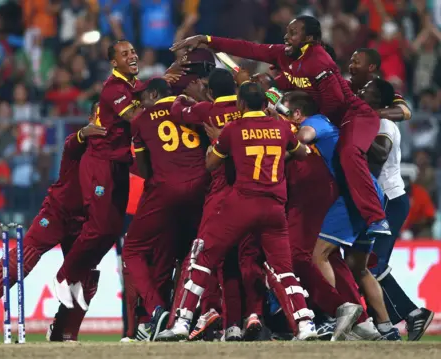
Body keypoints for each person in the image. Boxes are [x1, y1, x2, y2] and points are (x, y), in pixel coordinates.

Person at [171, 16, 391, 243]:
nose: (287, 36)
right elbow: (249, 49)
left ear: (310, 39)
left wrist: (293, 98)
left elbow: (335, 103)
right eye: (287, 31)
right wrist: (207, 40)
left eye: (293, 32)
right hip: (325, 122)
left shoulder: (319, 61)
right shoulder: (285, 56)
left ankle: (377, 217)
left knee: (347, 153)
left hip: (353, 116)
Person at [156, 82, 316, 342]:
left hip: (241, 203)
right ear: (265, 104)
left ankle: (183, 322)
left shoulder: (233, 129)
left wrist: (216, 144)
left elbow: (211, 163)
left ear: (241, 104)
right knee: (283, 268)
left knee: (205, 258)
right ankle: (306, 324)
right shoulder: (281, 128)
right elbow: (301, 153)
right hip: (274, 208)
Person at [0, 104, 107, 342]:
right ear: (90, 118)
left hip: (87, 220)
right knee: (23, 259)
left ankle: (62, 333)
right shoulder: (78, 142)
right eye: (100, 116)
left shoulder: (117, 152)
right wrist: (84, 133)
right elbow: (72, 143)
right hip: (58, 212)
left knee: (86, 278)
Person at [53, 40, 145, 310]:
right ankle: (63, 276)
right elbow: (137, 118)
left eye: (133, 51)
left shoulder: (132, 87)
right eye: (125, 54)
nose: (133, 55)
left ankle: (78, 276)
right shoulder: (113, 89)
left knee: (112, 231)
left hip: (119, 166)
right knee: (97, 228)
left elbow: (149, 91)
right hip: (100, 165)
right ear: (114, 62)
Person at [169, 68, 253, 341]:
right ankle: (237, 324)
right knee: (237, 262)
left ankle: (195, 315)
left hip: (218, 192)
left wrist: (187, 99)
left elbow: (176, 112)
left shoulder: (206, 110)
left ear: (210, 91)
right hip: (248, 190)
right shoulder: (246, 110)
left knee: (204, 255)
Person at [122, 78, 209, 340]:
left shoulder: (141, 120)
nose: (139, 103)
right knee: (191, 253)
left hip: (165, 189)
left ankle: (156, 311)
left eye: (142, 97)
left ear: (154, 94)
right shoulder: (194, 107)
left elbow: (145, 170)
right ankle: (186, 318)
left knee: (132, 249)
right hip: (202, 187)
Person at [283, 91, 370, 341]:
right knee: (329, 257)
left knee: (298, 256)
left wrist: (276, 152)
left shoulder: (312, 124)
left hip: (320, 192)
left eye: (287, 112)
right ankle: (361, 323)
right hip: (333, 192)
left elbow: (301, 141)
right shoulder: (320, 124)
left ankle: (336, 312)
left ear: (298, 113)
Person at [362, 79, 434, 341]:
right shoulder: (374, 118)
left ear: (378, 101)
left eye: (366, 93)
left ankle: (406, 315)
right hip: (384, 200)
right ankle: (402, 316)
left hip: (389, 201)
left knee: (371, 264)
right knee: (368, 264)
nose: (361, 95)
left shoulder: (383, 124)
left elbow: (380, 154)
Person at [348, 48, 411, 122]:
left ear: (371, 67)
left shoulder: (383, 90)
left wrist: (369, 114)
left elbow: (405, 112)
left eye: (356, 62)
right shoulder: (346, 86)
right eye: (351, 62)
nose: (351, 66)